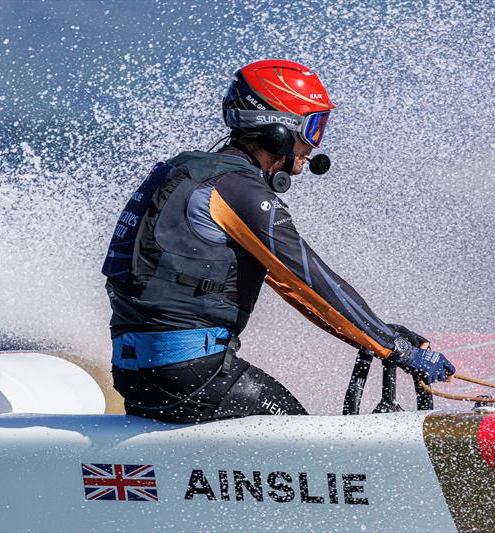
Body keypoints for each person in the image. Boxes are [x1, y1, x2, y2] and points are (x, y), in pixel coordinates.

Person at [101, 59, 455, 423]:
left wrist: (376, 338)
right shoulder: (238, 190)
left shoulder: (182, 173)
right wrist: (394, 348)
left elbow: (295, 289)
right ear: (278, 132)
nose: (313, 147)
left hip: (135, 376)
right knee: (306, 441)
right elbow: (309, 281)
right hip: (191, 374)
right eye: (312, 128)